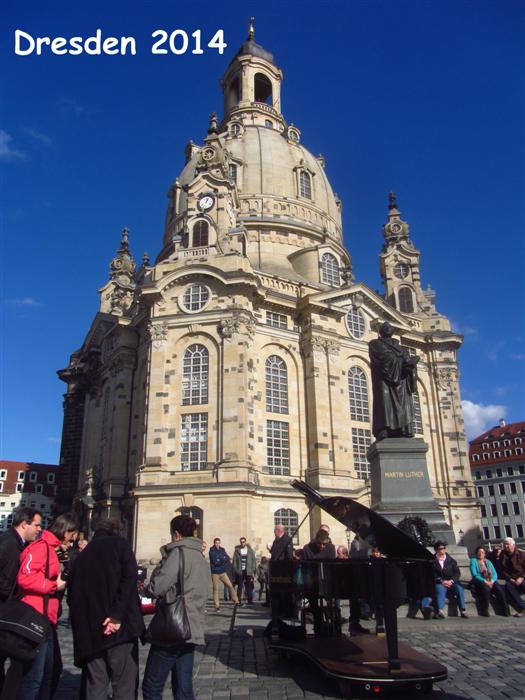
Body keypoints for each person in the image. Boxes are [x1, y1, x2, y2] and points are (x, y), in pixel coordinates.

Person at [67, 517, 145, 699]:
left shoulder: (82, 555)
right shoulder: (121, 546)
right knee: (124, 685)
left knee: (95, 685)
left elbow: (72, 596)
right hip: (119, 629)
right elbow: (129, 581)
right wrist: (116, 615)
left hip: (91, 632)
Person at [142, 514, 209, 700]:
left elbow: (158, 587)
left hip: (173, 628)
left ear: (177, 534)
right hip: (192, 627)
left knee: (152, 687)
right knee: (183, 688)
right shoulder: (200, 556)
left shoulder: (177, 553)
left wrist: (147, 588)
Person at [16, 512, 79, 700]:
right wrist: (53, 586)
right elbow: (24, 578)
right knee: (35, 676)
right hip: (36, 617)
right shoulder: (41, 547)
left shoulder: (53, 549)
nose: (72, 543)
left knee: (51, 670)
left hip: (47, 618)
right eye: (71, 538)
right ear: (65, 532)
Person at [0, 507, 42, 697]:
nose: (39, 529)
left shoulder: (16, 543)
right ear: (24, 524)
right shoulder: (9, 544)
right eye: (36, 525)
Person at [369, 321, 419, 439]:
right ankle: (384, 428)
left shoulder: (401, 348)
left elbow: (406, 360)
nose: (388, 328)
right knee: (385, 403)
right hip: (384, 380)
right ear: (380, 331)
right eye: (385, 327)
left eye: (390, 327)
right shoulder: (375, 343)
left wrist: (411, 365)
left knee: (404, 404)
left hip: (401, 381)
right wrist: (404, 362)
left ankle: (403, 429)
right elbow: (383, 357)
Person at [421, 541, 468, 619]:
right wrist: (441, 581)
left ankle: (462, 610)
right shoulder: (432, 561)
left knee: (460, 589)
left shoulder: (451, 560)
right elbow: (431, 574)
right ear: (436, 550)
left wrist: (451, 581)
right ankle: (440, 610)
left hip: (451, 582)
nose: (442, 550)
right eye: (440, 549)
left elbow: (457, 573)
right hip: (439, 582)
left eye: (443, 548)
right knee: (440, 589)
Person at [469, 546, 508, 617]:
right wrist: (485, 581)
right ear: (476, 553)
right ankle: (485, 610)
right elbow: (475, 575)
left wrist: (492, 581)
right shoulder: (473, 561)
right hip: (480, 581)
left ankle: (505, 609)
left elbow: (494, 573)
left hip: (491, 580)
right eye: (479, 552)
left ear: (485, 554)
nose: (480, 554)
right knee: (486, 589)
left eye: (482, 552)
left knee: (499, 589)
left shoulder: (488, 561)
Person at [208, 538, 238, 612]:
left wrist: (221, 559)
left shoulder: (222, 549)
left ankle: (236, 601)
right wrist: (222, 559)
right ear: (214, 543)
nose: (217, 544)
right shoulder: (211, 551)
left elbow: (227, 558)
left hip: (223, 572)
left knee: (230, 586)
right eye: (216, 543)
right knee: (216, 589)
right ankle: (217, 606)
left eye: (218, 543)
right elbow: (215, 561)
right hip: (215, 573)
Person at [500, 537, 525, 617]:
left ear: (513, 545)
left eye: (507, 544)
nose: (505, 546)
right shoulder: (502, 555)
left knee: (523, 584)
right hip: (512, 579)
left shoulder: (521, 554)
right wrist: (510, 579)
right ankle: (523, 607)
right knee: (508, 586)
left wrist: (521, 577)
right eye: (504, 544)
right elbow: (502, 570)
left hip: (522, 577)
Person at [232, 537, 256, 605]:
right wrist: (236, 569)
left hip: (248, 570)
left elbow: (253, 560)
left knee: (248, 585)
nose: (242, 543)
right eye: (241, 542)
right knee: (240, 586)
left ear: (245, 542)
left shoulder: (250, 550)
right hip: (240, 570)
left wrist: (253, 570)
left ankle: (250, 599)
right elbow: (234, 561)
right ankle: (238, 599)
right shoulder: (237, 550)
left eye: (243, 542)